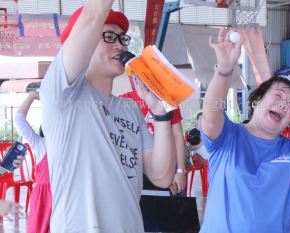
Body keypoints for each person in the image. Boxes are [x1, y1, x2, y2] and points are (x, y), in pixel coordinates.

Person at [39, 2, 176, 232]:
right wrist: (94, 18)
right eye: (109, 36)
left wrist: (160, 114)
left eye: (123, 38)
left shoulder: (130, 109)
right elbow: (93, 15)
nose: (120, 45)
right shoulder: (62, 96)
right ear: (84, 41)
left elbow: (162, 177)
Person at [199, 27, 290, 233]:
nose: (284, 104)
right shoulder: (229, 136)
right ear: (258, 100)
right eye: (278, 95)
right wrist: (224, 69)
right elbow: (210, 116)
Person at [121, 81, 187, 195]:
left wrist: (180, 170)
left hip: (167, 164)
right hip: (139, 167)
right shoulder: (124, 101)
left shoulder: (167, 100)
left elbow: (177, 135)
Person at [15, 91, 51, 233]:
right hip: (43, 199)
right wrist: (31, 97)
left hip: (64, 194)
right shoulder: (40, 143)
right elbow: (19, 119)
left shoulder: (69, 143)